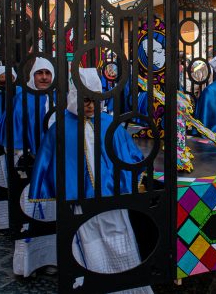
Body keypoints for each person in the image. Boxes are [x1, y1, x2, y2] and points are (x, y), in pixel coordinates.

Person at [29, 68, 153, 293]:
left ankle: (125, 286)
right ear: (75, 96)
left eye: (95, 99)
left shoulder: (110, 125)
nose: (89, 105)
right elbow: (49, 161)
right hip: (80, 201)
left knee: (119, 237)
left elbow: (129, 157)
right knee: (86, 241)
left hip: (111, 200)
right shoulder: (61, 128)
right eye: (85, 99)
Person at [0, 58, 58, 277]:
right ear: (32, 76)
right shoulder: (23, 99)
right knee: (31, 212)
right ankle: (29, 262)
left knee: (53, 213)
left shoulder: (58, 97)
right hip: (32, 164)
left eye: (47, 74)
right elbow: (16, 131)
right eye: (39, 73)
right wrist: (21, 155)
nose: (43, 78)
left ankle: (53, 258)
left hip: (55, 166)